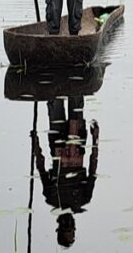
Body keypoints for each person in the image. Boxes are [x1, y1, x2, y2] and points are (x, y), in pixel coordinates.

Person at [32, 96, 100, 248]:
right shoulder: (83, 199)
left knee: (54, 99)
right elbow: (93, 169)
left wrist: (36, 146)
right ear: (74, 226)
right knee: (75, 97)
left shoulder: (52, 198)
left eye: (66, 227)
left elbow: (42, 169)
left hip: (57, 140)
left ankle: (51, 73)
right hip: (77, 139)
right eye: (70, 227)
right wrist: (95, 141)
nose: (68, 223)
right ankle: (75, 73)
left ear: (59, 227)